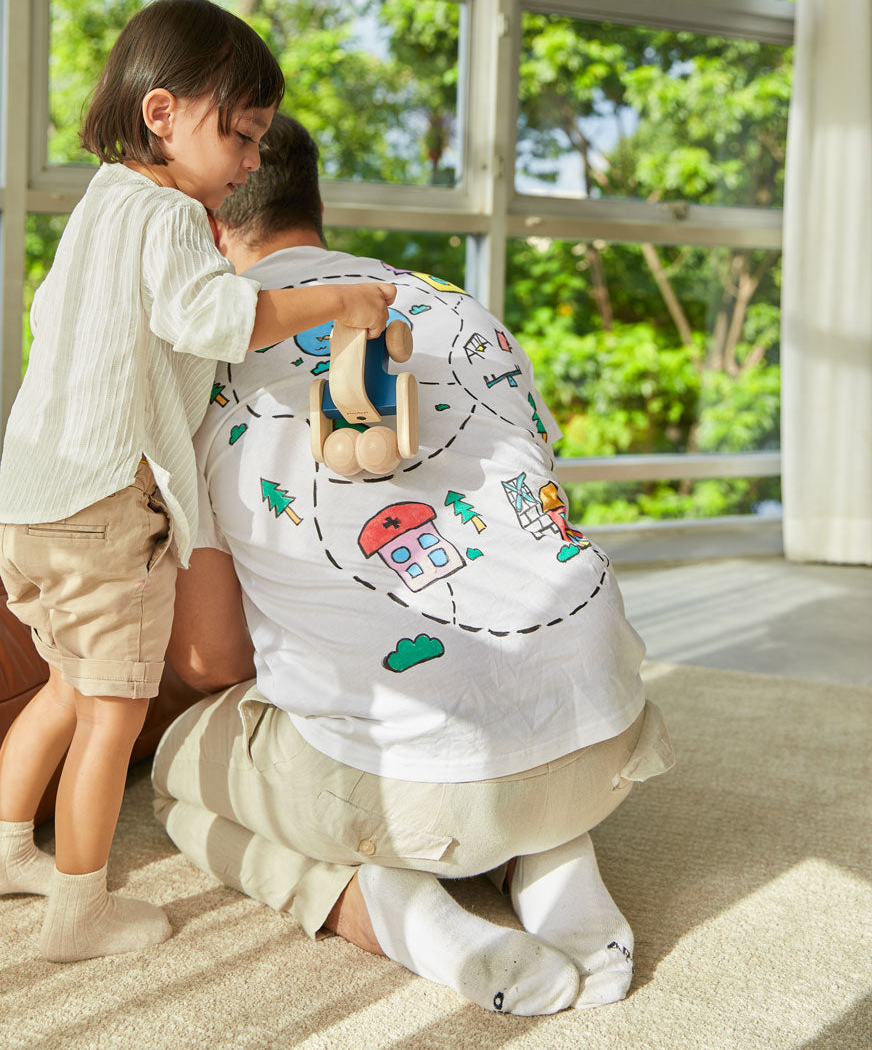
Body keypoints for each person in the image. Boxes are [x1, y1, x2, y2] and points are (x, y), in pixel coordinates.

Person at [153, 113, 674, 1015]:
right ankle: (554, 855)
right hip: (605, 730)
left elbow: (212, 661)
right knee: (491, 677)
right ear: (314, 203)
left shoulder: (198, 367)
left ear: (204, 226)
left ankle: (395, 910)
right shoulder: (460, 309)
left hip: (420, 795)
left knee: (174, 773)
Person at [0, 1, 394, 964]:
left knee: (65, 687)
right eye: (238, 135)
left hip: (28, 505)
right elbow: (220, 322)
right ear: (162, 112)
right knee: (114, 712)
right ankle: (79, 908)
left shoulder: (103, 201)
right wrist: (339, 299)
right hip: (104, 510)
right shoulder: (169, 217)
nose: (248, 161)